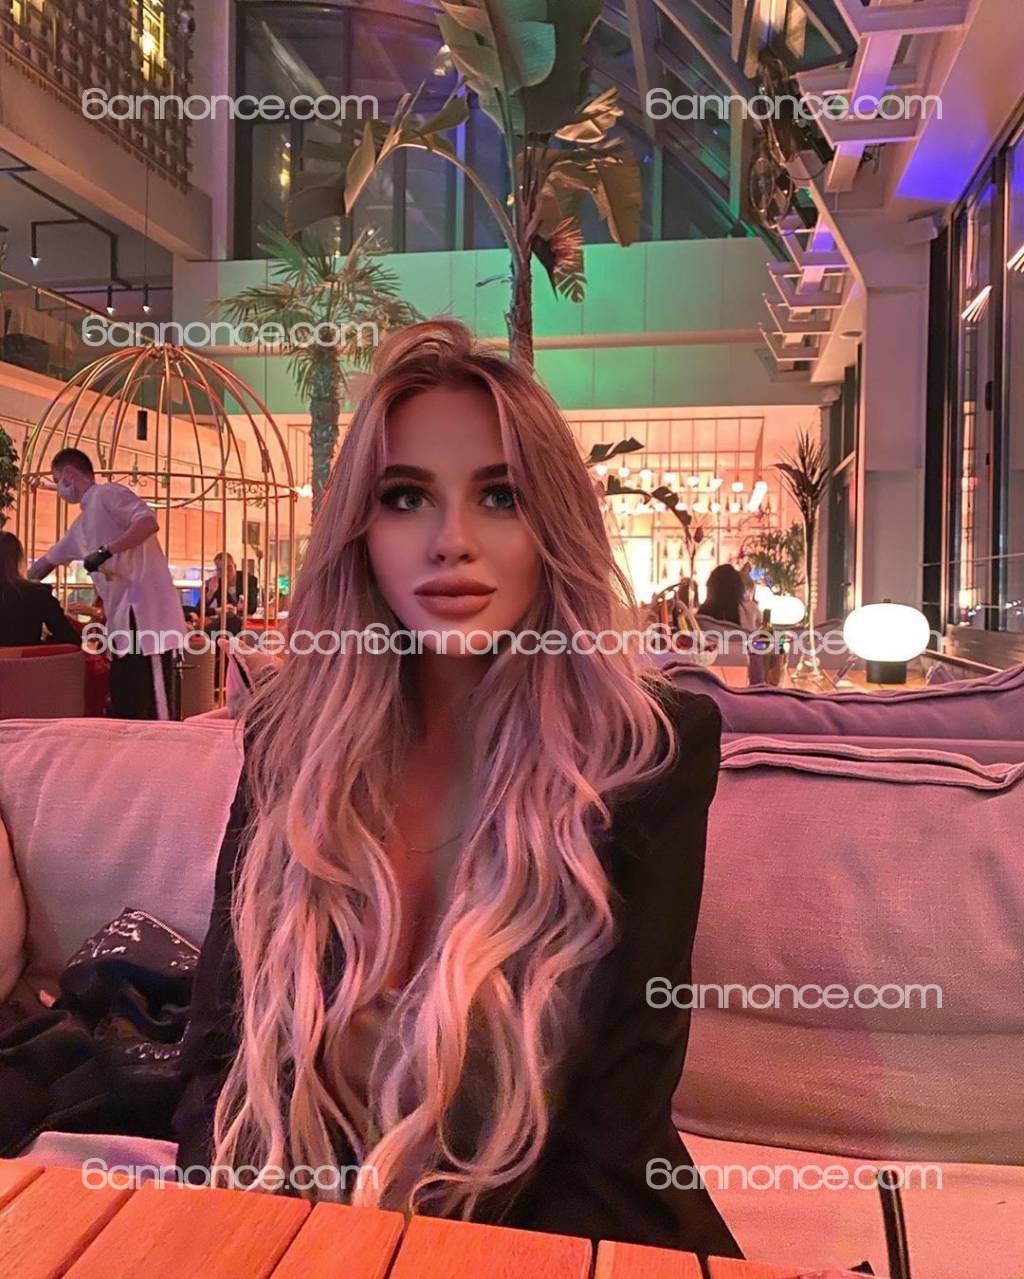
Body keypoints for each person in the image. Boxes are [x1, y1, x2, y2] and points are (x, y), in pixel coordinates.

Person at [174, 321, 741, 1260]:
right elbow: (215, 1066)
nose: (451, 542)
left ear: (553, 523)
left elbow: (611, 1131)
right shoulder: (289, 739)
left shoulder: (649, 753)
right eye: (406, 497)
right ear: (360, 529)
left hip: (557, 1246)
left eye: (500, 496)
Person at [27, 447, 187, 719]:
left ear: (69, 474)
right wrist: (16, 586)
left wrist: (106, 551)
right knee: (125, 700)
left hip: (146, 615)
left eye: (56, 480)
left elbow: (147, 522)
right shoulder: (80, 526)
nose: (58, 490)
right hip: (122, 620)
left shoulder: (107, 493)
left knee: (152, 702)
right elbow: (45, 563)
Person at [0, 531, 82, 647]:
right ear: (18, 559)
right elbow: (70, 638)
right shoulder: (39, 594)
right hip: (28, 658)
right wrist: (43, 644)